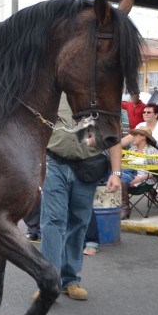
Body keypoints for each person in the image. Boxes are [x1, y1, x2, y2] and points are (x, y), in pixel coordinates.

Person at [37, 94, 122, 301]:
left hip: (87, 166)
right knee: (52, 221)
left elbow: (114, 135)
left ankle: (70, 279)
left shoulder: (101, 94)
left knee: (78, 222)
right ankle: (49, 283)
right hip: (54, 163)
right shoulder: (53, 93)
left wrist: (116, 173)